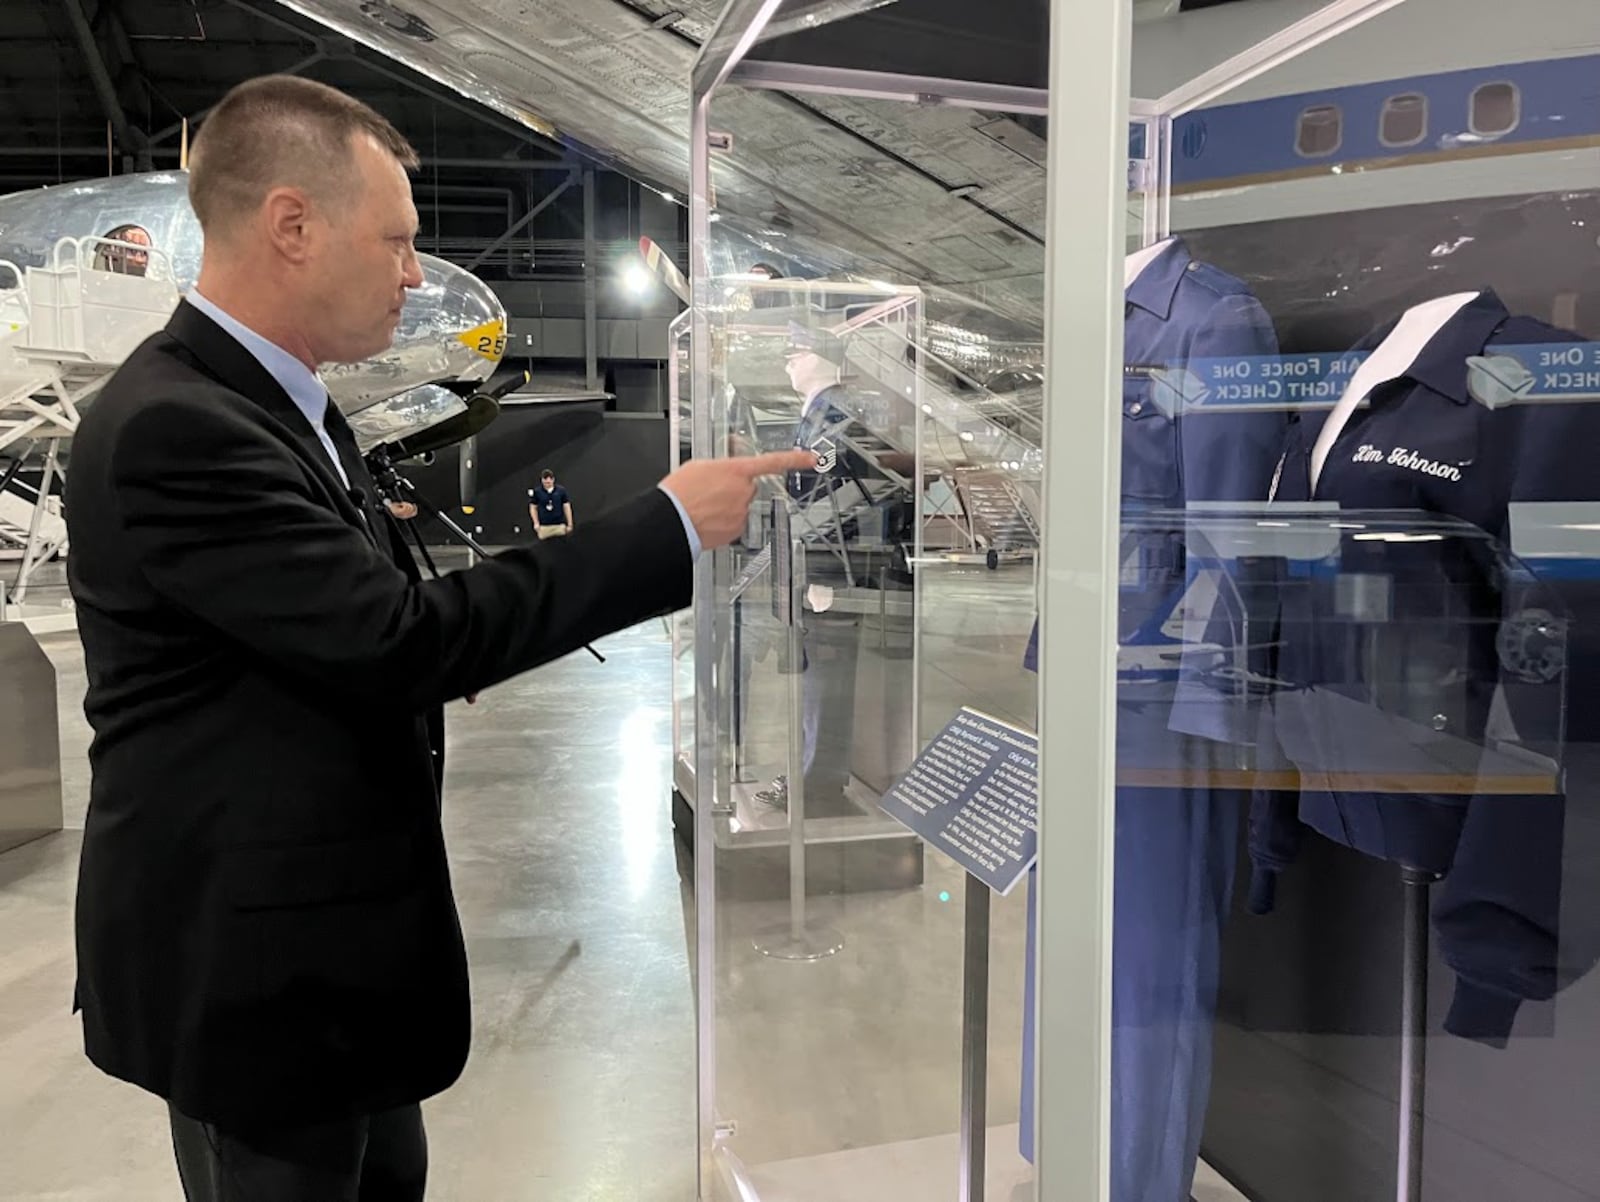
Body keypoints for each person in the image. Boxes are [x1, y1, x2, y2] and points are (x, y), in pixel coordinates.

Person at [63, 74, 812, 1202]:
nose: (413, 274)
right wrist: (664, 524)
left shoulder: (279, 406)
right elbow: (394, 639)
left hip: (327, 969)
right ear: (292, 226)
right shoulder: (181, 424)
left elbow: (335, 631)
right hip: (255, 988)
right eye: (399, 240)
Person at [528, 468, 572, 539]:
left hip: (559, 525)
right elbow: (532, 507)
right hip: (544, 527)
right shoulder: (537, 492)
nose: (547, 484)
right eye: (545, 482)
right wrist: (536, 523)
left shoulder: (561, 491)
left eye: (549, 482)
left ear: (553, 480)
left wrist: (569, 524)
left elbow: (566, 507)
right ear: (542, 480)